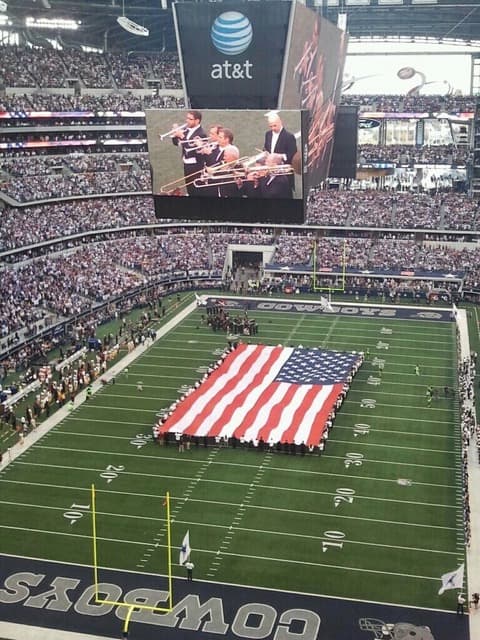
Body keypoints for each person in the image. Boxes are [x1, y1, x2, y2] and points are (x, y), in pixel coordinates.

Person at [171, 110, 207, 197]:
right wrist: (175, 134)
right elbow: (177, 143)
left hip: (195, 166)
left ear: (197, 121)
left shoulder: (201, 134)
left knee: (196, 189)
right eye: (187, 118)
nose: (187, 120)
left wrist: (182, 136)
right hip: (186, 164)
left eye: (190, 119)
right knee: (189, 187)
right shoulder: (186, 130)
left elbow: (191, 149)